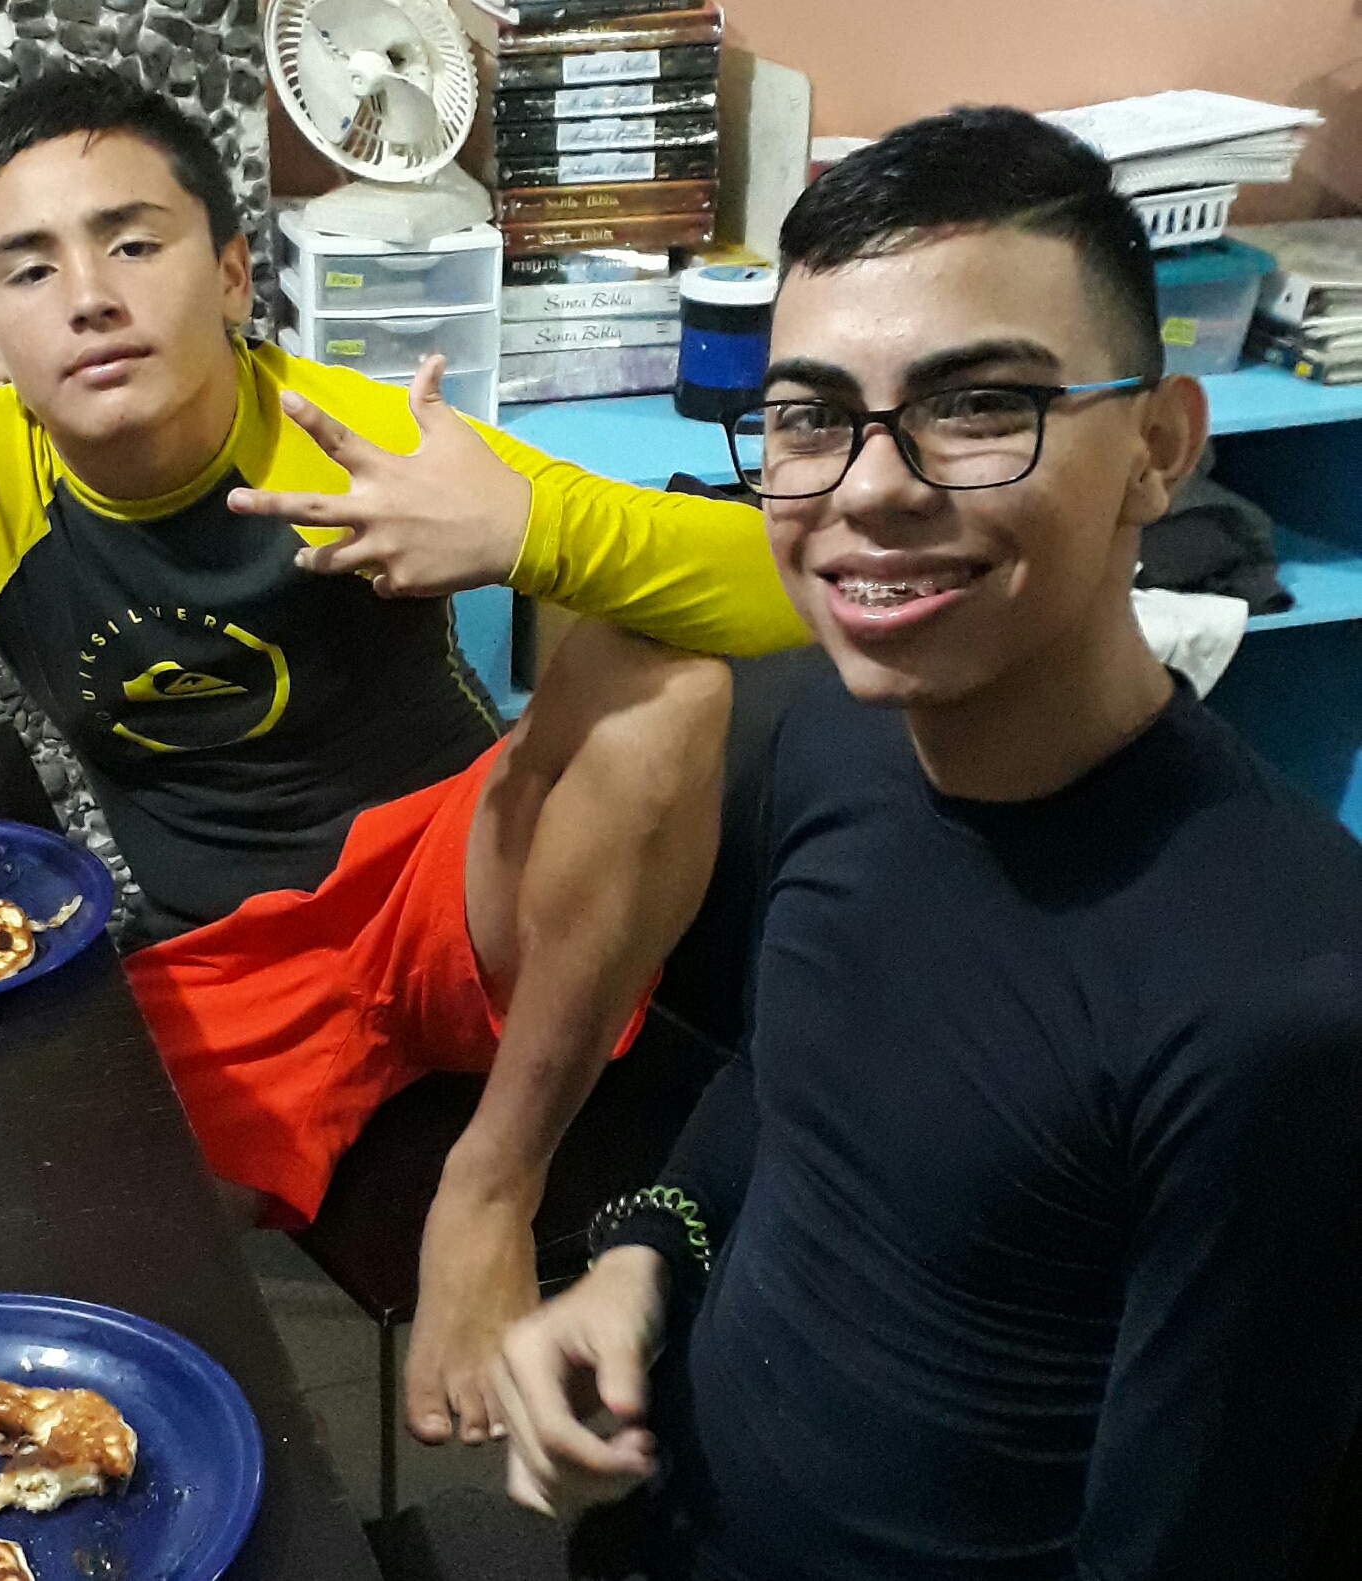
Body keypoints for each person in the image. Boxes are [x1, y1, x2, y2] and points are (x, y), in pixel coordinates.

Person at [0, 66, 810, 1445]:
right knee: (31, 1298)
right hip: (228, 961)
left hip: (459, 890)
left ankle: (491, 1187)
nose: (88, 297)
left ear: (230, 275)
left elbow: (792, 580)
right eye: (29, 269)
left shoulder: (345, 432)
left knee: (666, 686)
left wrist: (521, 533)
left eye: (132, 242)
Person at [483, 107, 1362, 1579]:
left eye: (978, 405)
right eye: (810, 417)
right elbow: (790, 1075)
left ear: (1158, 448)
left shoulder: (1279, 1002)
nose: (870, 489)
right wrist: (643, 1255)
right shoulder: (833, 731)